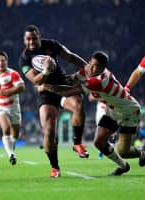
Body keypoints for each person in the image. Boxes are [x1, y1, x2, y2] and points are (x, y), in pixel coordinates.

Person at [38, 51, 145, 176]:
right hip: (113, 111)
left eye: (95, 66)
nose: (90, 68)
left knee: (123, 151)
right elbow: (71, 80)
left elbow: (70, 91)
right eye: (90, 64)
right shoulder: (88, 70)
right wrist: (48, 76)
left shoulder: (100, 80)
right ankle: (123, 166)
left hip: (129, 111)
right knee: (98, 143)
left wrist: (46, 86)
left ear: (102, 68)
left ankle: (142, 152)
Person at [18, 25, 89, 178]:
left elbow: (70, 56)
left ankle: (77, 143)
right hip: (47, 93)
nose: (31, 41)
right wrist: (46, 70)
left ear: (39, 36)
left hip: (63, 84)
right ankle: (55, 167)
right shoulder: (24, 59)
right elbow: (36, 81)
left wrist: (88, 68)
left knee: (78, 104)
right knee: (49, 132)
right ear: (24, 40)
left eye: (34, 38)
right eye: (28, 39)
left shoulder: (51, 44)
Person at [0, 50, 25, 165]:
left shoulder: (13, 73)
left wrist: (6, 92)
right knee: (5, 128)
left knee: (15, 134)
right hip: (0, 108)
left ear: (7, 62)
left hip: (14, 108)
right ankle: (11, 155)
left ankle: (12, 145)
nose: (1, 63)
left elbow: (21, 87)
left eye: (3, 60)